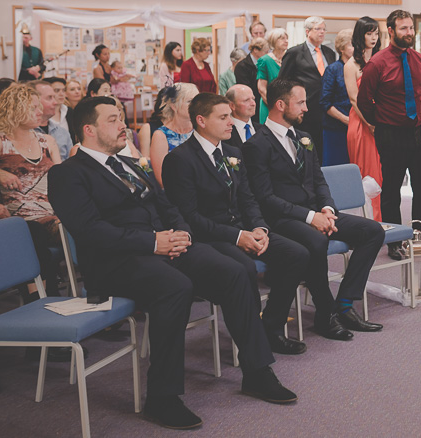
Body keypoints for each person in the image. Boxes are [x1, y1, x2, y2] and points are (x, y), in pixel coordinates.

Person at [49, 96, 297, 430]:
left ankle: (256, 371)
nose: (123, 125)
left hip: (165, 247)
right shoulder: (68, 174)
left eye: (121, 118)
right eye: (113, 120)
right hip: (116, 263)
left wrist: (180, 233)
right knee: (175, 287)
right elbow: (91, 231)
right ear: (88, 130)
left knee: (236, 270)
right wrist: (153, 242)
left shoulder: (129, 164)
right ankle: (162, 397)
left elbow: (166, 204)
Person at [161, 92, 309, 355]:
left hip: (244, 229)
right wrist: (238, 236)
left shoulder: (232, 152)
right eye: (223, 117)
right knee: (243, 268)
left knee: (296, 254)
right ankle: (251, 343)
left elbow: (248, 198)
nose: (231, 122)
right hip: (211, 237)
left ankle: (269, 328)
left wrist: (260, 229)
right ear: (201, 121)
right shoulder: (179, 160)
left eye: (230, 115)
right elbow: (191, 216)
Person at [243, 78, 385, 338]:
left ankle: (344, 304)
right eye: (300, 103)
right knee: (316, 241)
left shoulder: (305, 138)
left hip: (317, 213)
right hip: (284, 218)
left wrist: (328, 210)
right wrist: (311, 218)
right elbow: (265, 198)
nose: (306, 108)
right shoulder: (256, 145)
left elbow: (318, 181)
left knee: (372, 231)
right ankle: (325, 314)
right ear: (279, 105)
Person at [358, 11, 421, 258]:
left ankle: (420, 237)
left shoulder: (419, 60)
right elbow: (364, 101)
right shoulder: (377, 63)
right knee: (392, 190)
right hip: (390, 134)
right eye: (403, 29)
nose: (409, 33)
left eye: (411, 28)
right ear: (391, 31)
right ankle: (394, 241)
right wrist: (381, 121)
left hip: (418, 134)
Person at [0, 84, 63, 298]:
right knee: (33, 232)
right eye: (33, 107)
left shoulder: (47, 141)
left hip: (52, 213)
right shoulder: (1, 141)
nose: (40, 111)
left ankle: (101, 291)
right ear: (15, 108)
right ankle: (39, 296)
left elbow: (64, 180)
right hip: (17, 217)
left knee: (81, 226)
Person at [345, 17, 384, 223]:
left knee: (383, 172)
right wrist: (369, 122)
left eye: (376, 33)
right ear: (360, 35)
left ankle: (383, 219)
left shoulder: (380, 60)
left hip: (382, 120)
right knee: (368, 174)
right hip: (362, 122)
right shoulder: (351, 64)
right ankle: (370, 222)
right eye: (369, 33)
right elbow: (353, 98)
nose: (373, 38)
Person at [279, 16, 335, 157]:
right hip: (305, 109)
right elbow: (283, 81)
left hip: (326, 109)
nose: (322, 32)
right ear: (307, 31)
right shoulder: (295, 53)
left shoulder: (329, 53)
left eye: (324, 29)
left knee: (324, 151)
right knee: (306, 150)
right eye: (318, 29)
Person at [149, 83, 199, 187]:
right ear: (174, 106)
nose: (196, 105)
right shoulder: (161, 135)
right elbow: (162, 179)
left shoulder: (201, 129)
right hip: (176, 192)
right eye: (189, 101)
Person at [320, 28, 353, 166]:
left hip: (356, 127)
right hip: (336, 129)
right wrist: (345, 119)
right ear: (342, 48)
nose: (356, 48)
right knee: (337, 167)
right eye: (352, 44)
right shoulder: (333, 69)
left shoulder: (360, 68)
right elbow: (325, 102)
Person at [29, 80, 72, 160]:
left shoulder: (62, 132)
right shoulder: (23, 133)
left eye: (54, 97)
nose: (55, 102)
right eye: (49, 98)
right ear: (34, 101)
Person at [257, 28, 288, 124]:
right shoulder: (265, 60)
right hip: (269, 105)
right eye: (282, 38)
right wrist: (274, 105)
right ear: (273, 41)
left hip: (287, 105)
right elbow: (261, 88)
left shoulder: (289, 58)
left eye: (287, 38)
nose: (286, 41)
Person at [235, 37, 268, 123]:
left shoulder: (265, 64)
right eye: (265, 52)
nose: (267, 54)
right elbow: (245, 90)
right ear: (256, 50)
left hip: (263, 104)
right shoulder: (242, 66)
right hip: (251, 106)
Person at [224, 84, 259, 151]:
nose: (253, 104)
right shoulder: (224, 132)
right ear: (232, 105)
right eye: (246, 100)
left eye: (253, 99)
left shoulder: (261, 129)